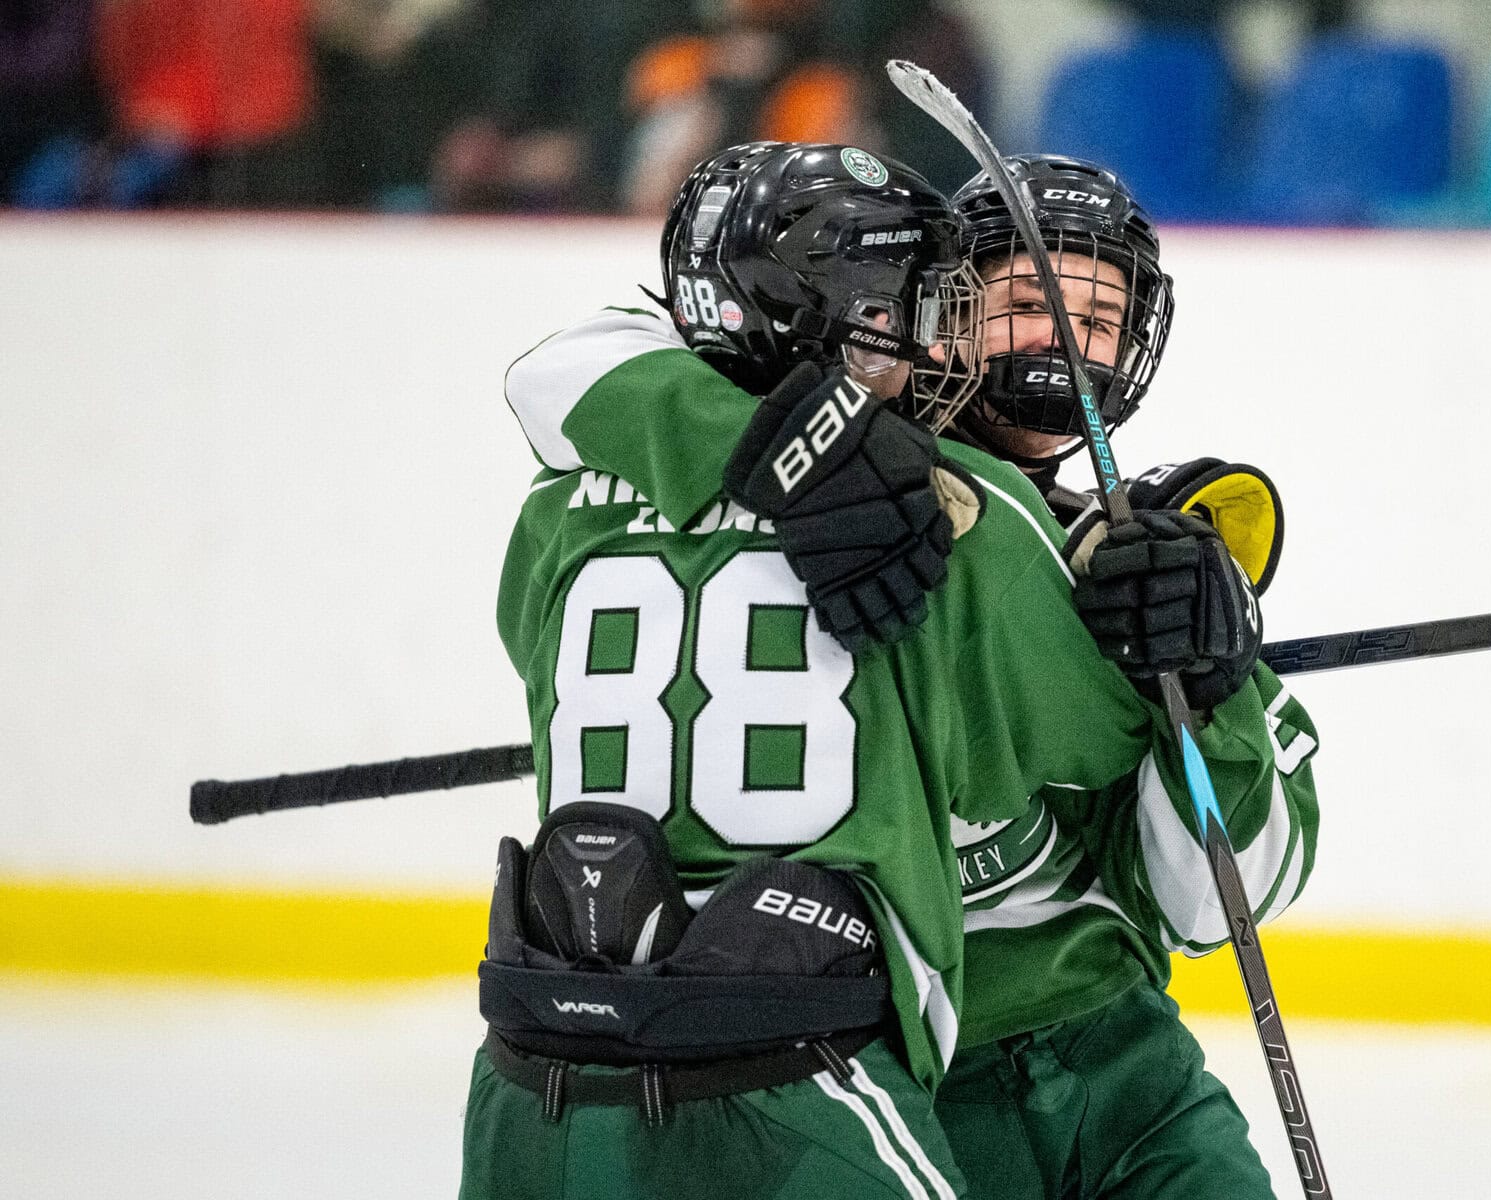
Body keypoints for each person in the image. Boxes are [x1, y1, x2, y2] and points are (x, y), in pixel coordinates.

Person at [469, 141, 1267, 1200]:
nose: (1050, 343)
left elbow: (538, 527)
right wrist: (1196, 677)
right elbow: (1091, 736)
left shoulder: (559, 503)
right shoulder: (970, 518)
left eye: (1098, 320)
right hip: (820, 1055)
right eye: (942, 308)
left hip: (543, 1048)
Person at [931, 154, 1318, 1200]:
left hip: (1123, 1067)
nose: (1065, 338)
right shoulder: (844, 516)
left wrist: (1213, 675)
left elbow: (1214, 909)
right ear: (941, 312)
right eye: (1027, 301)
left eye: (1098, 321)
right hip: (901, 1075)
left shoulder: (1139, 559)